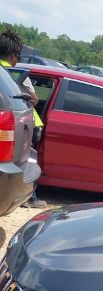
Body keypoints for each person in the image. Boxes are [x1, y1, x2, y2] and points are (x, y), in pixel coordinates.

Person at [0, 28, 47, 209]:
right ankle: (31, 197)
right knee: (24, 161)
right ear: (12, 55)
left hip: (17, 125)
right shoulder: (12, 74)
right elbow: (34, 99)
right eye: (17, 56)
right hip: (26, 124)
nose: (17, 60)